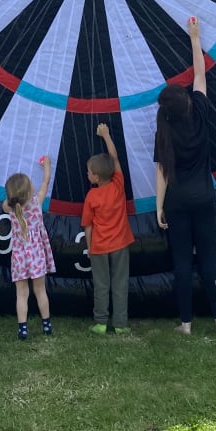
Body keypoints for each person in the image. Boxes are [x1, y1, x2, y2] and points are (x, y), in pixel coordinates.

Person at [155, 18, 216, 336]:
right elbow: (200, 75)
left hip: (176, 201)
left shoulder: (164, 132)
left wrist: (159, 207)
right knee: (209, 260)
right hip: (203, 198)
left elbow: (162, 172)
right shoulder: (200, 112)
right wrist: (195, 38)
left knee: (183, 263)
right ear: (186, 102)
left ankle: (186, 325)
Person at [81, 122, 135, 334]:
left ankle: (101, 322)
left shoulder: (91, 196)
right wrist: (106, 135)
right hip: (120, 244)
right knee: (120, 284)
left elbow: (87, 225)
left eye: (88, 172)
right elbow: (115, 158)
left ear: (95, 177)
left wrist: (89, 247)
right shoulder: (118, 186)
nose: (87, 174)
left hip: (99, 247)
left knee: (101, 285)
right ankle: (120, 324)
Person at [3, 155, 56, 340]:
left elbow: (6, 203)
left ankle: (23, 329)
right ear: (29, 191)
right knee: (40, 290)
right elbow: (46, 182)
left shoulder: (9, 207)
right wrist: (46, 166)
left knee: (21, 293)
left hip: (19, 255)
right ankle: (46, 325)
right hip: (37, 254)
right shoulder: (36, 201)